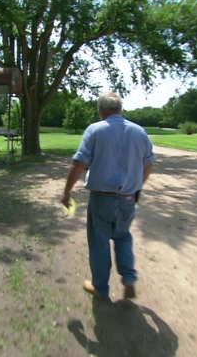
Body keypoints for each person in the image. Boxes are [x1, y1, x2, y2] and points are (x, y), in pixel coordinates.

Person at [61, 92, 154, 300]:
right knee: (123, 237)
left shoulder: (95, 130)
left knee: (99, 241)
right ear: (120, 108)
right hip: (128, 198)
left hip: (102, 198)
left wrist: (67, 192)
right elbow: (148, 164)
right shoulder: (139, 132)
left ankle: (100, 287)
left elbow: (79, 164)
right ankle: (129, 278)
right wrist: (137, 186)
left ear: (101, 110)